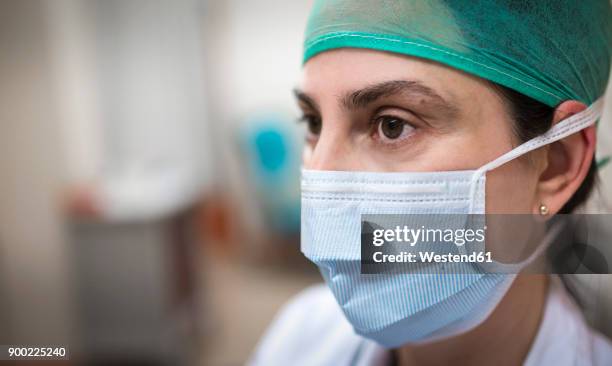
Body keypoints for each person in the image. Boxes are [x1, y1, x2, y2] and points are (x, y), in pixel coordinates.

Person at [249, 1, 612, 365]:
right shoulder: (296, 340)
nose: (322, 180)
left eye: (392, 125)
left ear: (555, 166)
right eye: (314, 123)